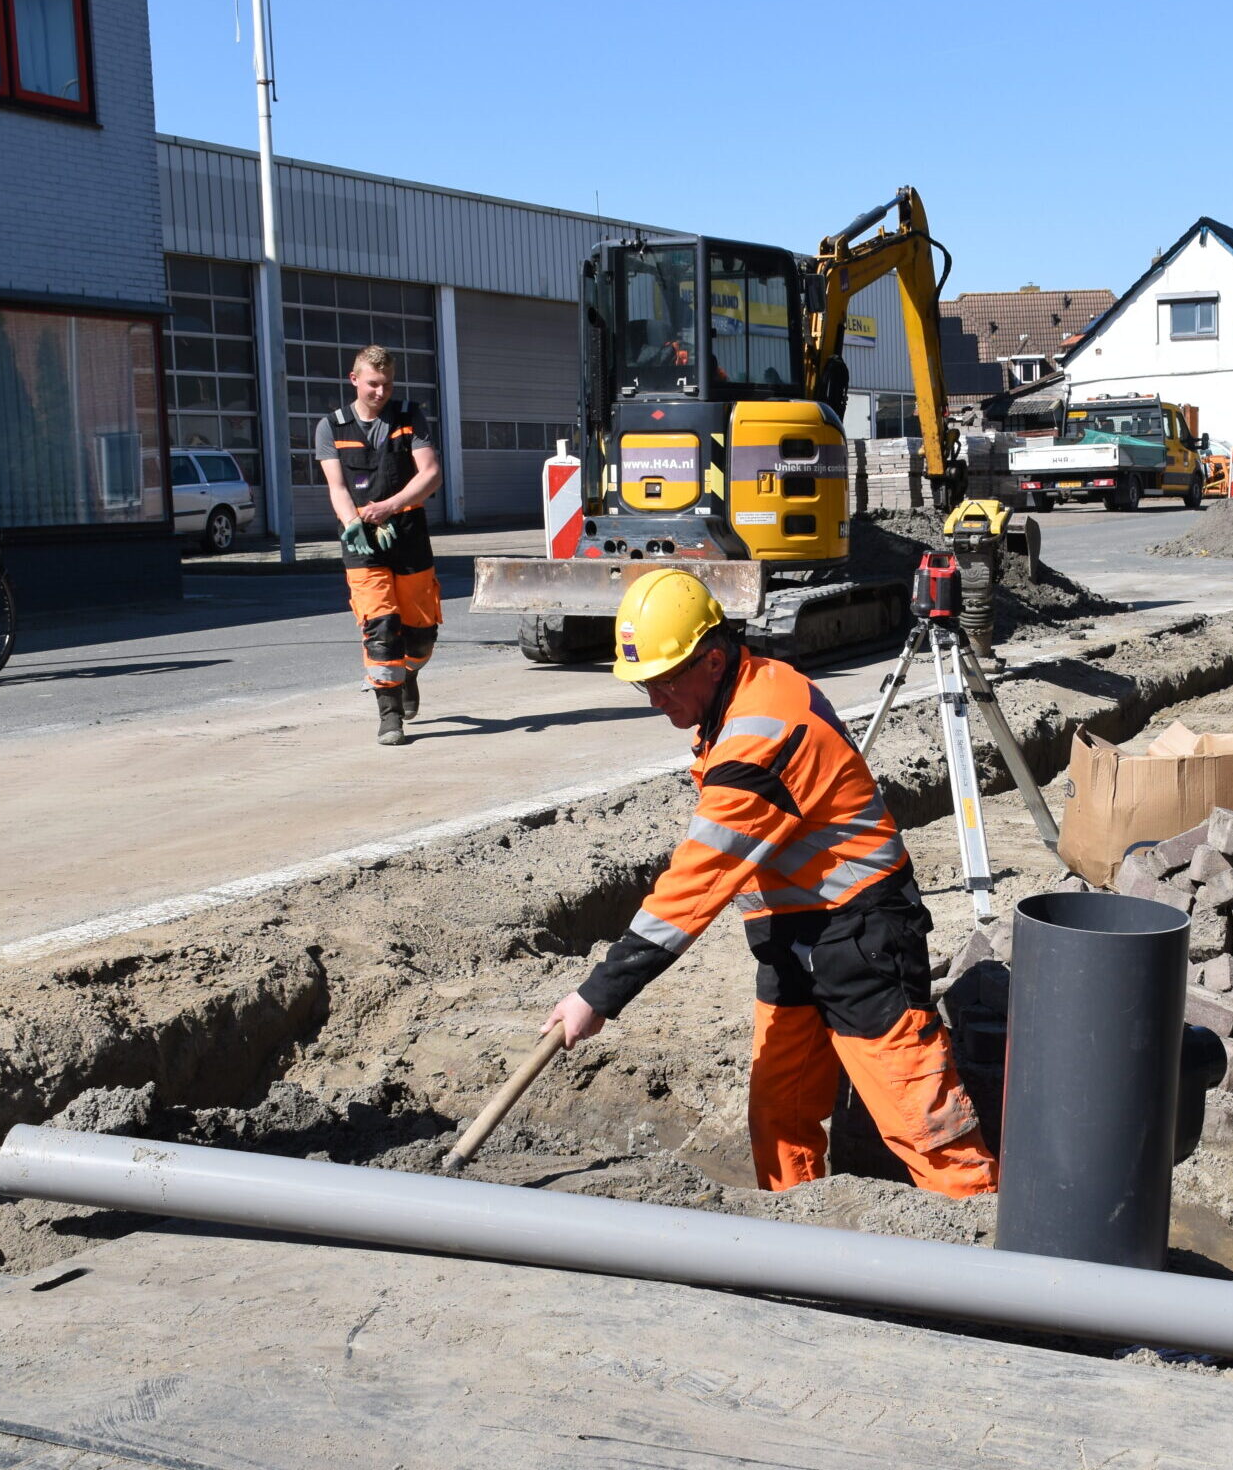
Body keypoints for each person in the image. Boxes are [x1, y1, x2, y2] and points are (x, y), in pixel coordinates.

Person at [540, 569, 998, 1198]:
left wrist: (598, 994)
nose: (654, 701)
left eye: (665, 683)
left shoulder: (762, 730)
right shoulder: (741, 698)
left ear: (714, 659)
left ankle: (983, 1256)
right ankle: (795, 1240)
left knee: (922, 1123)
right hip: (791, 938)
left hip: (861, 934)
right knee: (779, 1117)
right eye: (645, 685)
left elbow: (697, 881)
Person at [316, 345, 443, 746]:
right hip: (361, 541)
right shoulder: (331, 427)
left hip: (407, 531)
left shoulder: (409, 418)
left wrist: (389, 507)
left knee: (420, 632)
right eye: (373, 384)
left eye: (387, 384)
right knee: (381, 626)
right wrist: (352, 522)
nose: (380, 392)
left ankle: (410, 673)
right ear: (354, 380)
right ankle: (390, 716)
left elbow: (431, 473)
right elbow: (336, 487)